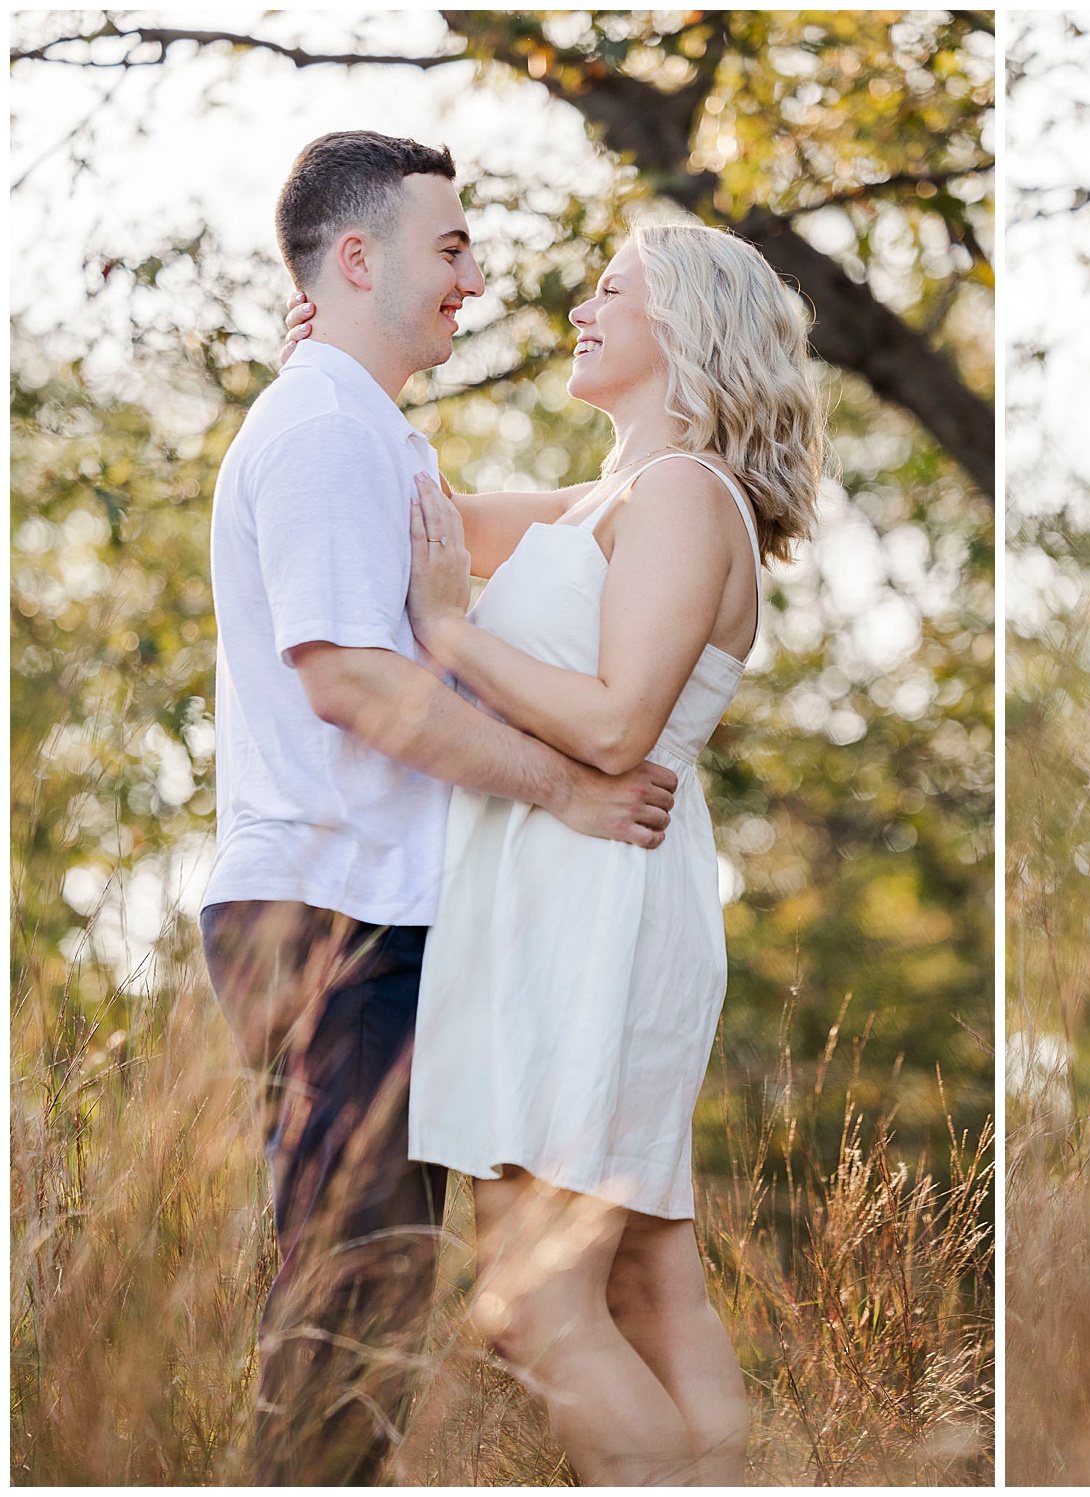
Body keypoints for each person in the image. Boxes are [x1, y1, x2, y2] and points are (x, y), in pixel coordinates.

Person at [283, 220, 824, 1483]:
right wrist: (334, 365)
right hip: (568, 894)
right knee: (643, 1272)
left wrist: (448, 634)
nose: (579, 308)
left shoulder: (687, 495)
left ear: (683, 327)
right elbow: (418, 505)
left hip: (596, 901)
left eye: (610, 291)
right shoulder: (596, 502)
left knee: (533, 1301)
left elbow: (615, 723)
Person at [201, 130, 679, 1484]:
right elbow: (352, 678)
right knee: (348, 1317)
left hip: (379, 920)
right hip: (333, 919)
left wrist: (686, 449)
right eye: (451, 246)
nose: (474, 276)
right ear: (358, 259)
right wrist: (569, 792)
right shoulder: (322, 428)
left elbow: (535, 522)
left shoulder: (361, 423)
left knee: (375, 1306)